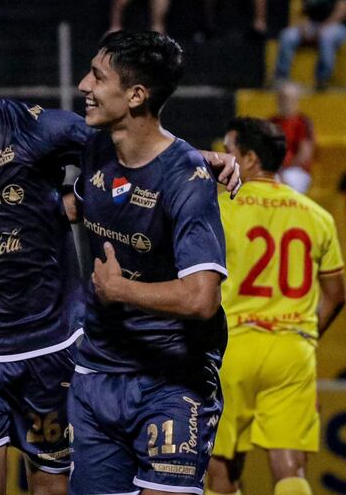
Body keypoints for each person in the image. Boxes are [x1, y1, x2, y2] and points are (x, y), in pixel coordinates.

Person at [0, 8, 239, 495]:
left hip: (50, 349)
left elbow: (133, 145)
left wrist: (197, 158)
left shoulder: (39, 129)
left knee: (52, 489)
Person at [68, 30, 227, 495]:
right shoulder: (96, 147)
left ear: (136, 95)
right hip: (97, 374)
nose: (83, 85)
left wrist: (121, 291)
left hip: (171, 380)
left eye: (98, 77)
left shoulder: (187, 180)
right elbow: (71, 205)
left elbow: (202, 299)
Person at [204, 117, 346, 495]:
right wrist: (305, 335)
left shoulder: (219, 211)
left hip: (232, 347)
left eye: (229, 150)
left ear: (249, 159)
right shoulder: (318, 216)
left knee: (221, 467)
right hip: (292, 348)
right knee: (289, 465)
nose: (222, 159)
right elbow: (336, 294)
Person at [274, 0, 346, 90]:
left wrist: (322, 27)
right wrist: (302, 26)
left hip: (336, 25)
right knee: (287, 35)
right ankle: (281, 78)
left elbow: (341, 11)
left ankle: (322, 79)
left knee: (327, 36)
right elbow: (301, 10)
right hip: (313, 24)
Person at [270, 80, 314, 194]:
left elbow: (304, 154)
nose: (285, 102)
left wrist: (283, 169)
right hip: (274, 169)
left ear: (296, 101)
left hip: (296, 170)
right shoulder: (271, 122)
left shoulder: (302, 122)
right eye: (282, 98)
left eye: (288, 99)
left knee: (284, 183)